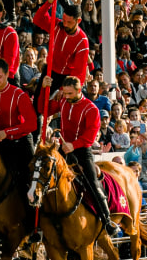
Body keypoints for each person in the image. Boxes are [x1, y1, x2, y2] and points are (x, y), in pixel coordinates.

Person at [42, 76, 122, 238]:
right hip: (64, 148)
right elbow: (45, 108)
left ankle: (107, 220)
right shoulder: (63, 101)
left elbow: (91, 136)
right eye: (65, 93)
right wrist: (45, 89)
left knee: (92, 182)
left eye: (70, 93)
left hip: (81, 151)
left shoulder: (91, 109)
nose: (66, 96)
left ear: (79, 91)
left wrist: (74, 145)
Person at [30, 0, 92, 108]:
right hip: (50, 70)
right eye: (64, 20)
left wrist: (65, 88)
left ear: (78, 21)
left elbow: (79, 70)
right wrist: (48, 2)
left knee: (65, 104)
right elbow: (37, 19)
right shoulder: (57, 26)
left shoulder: (82, 41)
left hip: (67, 76)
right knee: (37, 104)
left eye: (69, 22)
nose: (65, 24)